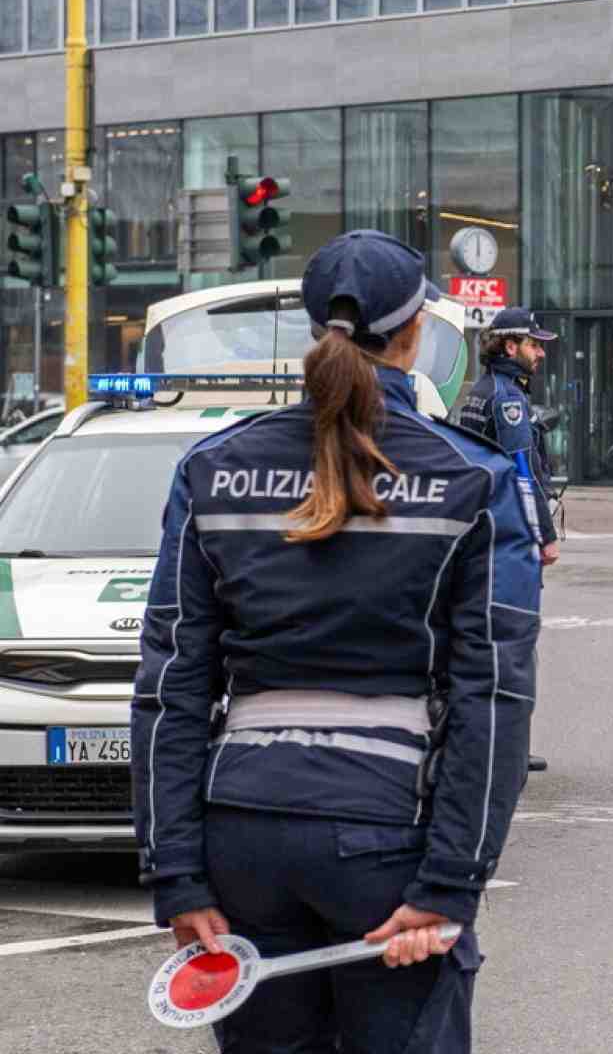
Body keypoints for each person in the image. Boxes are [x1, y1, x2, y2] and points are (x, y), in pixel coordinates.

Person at [130, 230, 542, 1053]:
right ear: (415, 332)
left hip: (242, 833)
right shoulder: (474, 478)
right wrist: (450, 882)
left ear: (315, 328)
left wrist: (176, 873)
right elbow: (492, 695)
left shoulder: (212, 468)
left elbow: (172, 683)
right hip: (386, 835)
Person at [457, 307, 560, 569]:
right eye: (533, 345)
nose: (541, 353)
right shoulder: (507, 397)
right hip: (508, 527)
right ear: (511, 347)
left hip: (484, 521)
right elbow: (524, 469)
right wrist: (545, 534)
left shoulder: (483, 388)